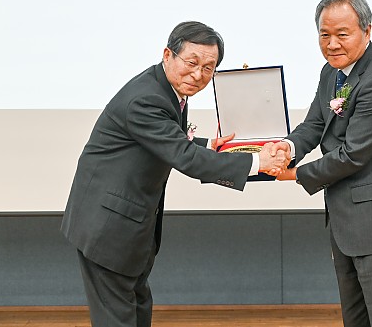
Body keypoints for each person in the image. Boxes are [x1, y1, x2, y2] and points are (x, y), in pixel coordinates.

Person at [61, 21, 288, 327]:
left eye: (208, 68)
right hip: (108, 227)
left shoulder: (165, 88)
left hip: (129, 224)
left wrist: (210, 145)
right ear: (168, 54)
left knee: (138, 308)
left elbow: (168, 139)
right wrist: (257, 162)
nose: (198, 75)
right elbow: (185, 157)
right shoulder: (146, 98)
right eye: (191, 63)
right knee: (118, 318)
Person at [270, 0, 372, 327]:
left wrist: (295, 174)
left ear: (367, 31)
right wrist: (287, 149)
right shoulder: (331, 72)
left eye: (342, 34)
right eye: (324, 34)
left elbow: (352, 154)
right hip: (346, 221)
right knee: (356, 319)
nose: (332, 44)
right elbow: (315, 124)